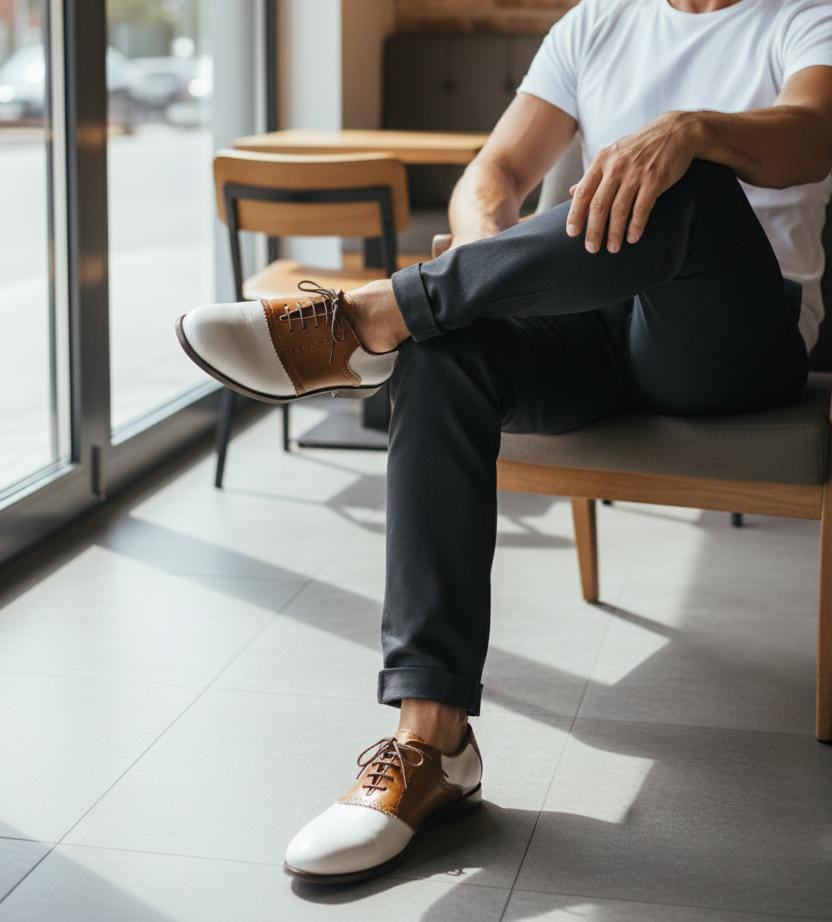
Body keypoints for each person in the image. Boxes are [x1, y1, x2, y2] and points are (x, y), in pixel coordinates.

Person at [177, 0, 832, 886]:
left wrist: (688, 131)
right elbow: (495, 171)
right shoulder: (598, 22)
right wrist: (486, 260)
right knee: (442, 354)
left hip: (732, 338)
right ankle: (432, 746)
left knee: (687, 176)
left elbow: (814, 131)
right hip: (598, 324)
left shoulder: (803, 16)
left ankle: (367, 317)